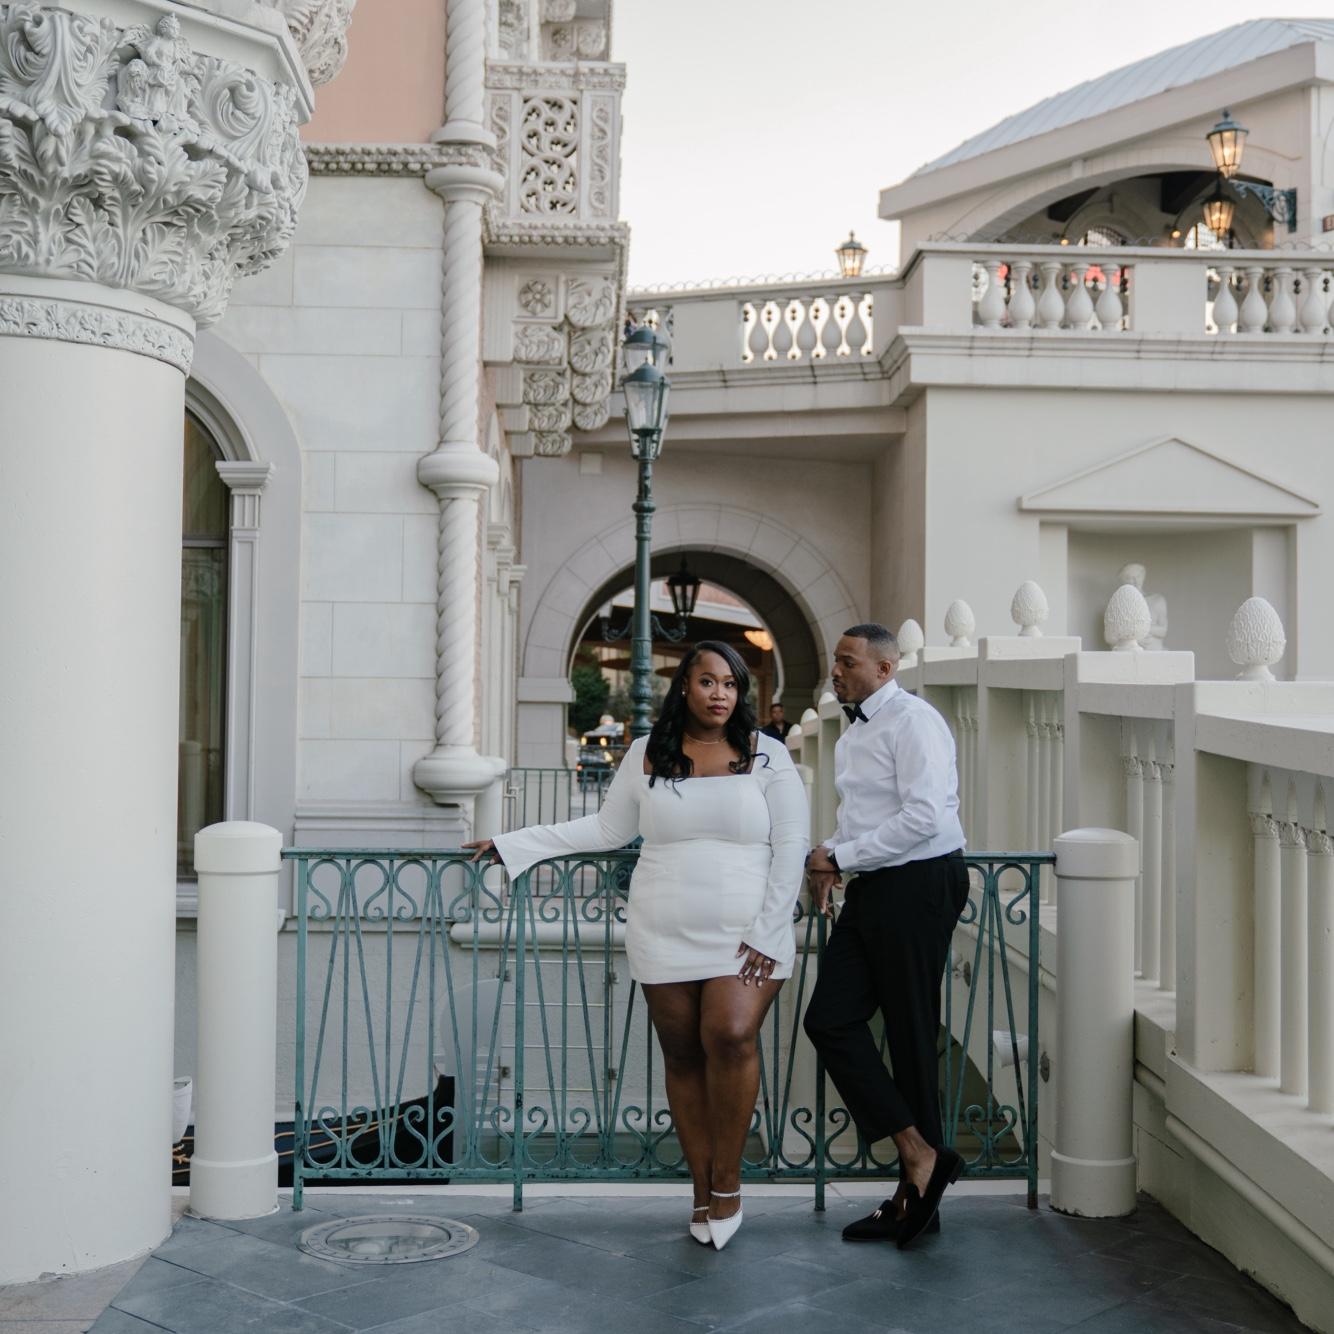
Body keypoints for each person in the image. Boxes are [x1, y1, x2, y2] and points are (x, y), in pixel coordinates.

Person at [465, 640, 808, 1250]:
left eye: (731, 683)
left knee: (730, 1035)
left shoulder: (767, 754)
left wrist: (770, 926)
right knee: (683, 1056)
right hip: (661, 927)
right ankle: (701, 1189)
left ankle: (728, 1182)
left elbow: (791, 844)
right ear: (686, 687)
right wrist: (517, 843)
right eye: (708, 681)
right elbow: (607, 829)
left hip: (748, 933)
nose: (721, 694)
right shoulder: (648, 752)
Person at [802, 623, 968, 1250]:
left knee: (909, 1033)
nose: (836, 671)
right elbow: (863, 817)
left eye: (848, 662)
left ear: (885, 668)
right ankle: (920, 1156)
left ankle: (913, 1194)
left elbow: (924, 816)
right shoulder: (856, 730)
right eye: (836, 661)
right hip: (876, 883)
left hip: (920, 882)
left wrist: (841, 858)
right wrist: (832, 852)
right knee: (830, 1019)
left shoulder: (914, 721)